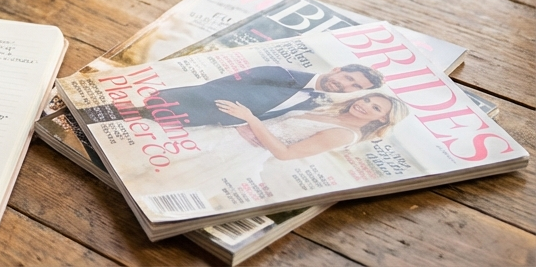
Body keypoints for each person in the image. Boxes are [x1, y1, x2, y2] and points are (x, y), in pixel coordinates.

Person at [133, 93, 410, 202]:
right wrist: (242, 123)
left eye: (375, 108)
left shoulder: (344, 134)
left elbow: (285, 153)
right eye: (368, 100)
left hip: (236, 155)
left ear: (382, 119)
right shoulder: (331, 111)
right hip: (227, 136)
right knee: (145, 155)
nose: (364, 106)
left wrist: (250, 119)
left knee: (159, 180)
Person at [148, 64, 384, 127]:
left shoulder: (316, 102)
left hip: (208, 125)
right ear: (337, 70)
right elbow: (217, 85)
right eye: (348, 78)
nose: (345, 85)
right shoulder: (279, 73)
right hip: (185, 103)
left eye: (355, 87)